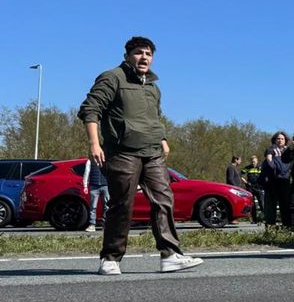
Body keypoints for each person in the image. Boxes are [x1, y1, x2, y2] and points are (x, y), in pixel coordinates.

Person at [77, 36, 203, 275]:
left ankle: (170, 255)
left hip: (152, 152)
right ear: (127, 56)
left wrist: (163, 139)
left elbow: (155, 116)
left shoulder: (153, 87)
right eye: (138, 53)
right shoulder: (112, 78)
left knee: (164, 200)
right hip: (123, 152)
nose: (144, 57)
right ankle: (110, 258)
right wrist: (95, 143)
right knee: (122, 204)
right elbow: (90, 109)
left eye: (148, 54)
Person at [261, 131, 294, 230]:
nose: (280, 140)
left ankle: (287, 227)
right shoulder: (271, 149)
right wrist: (275, 169)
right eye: (278, 138)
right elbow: (269, 159)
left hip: (285, 181)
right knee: (271, 205)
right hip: (273, 181)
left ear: (285, 140)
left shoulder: (288, 150)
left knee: (285, 205)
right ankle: (270, 228)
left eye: (282, 139)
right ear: (274, 140)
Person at [81, 157, 109, 232]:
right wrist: (85, 185)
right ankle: (92, 225)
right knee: (93, 207)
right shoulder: (90, 161)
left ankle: (106, 224)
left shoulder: (107, 160)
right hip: (94, 186)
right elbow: (86, 173)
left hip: (106, 185)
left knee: (107, 206)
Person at [241, 155, 264, 223]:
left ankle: (264, 218)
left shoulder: (260, 168)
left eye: (254, 161)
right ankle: (255, 220)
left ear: (257, 161)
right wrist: (245, 181)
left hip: (259, 188)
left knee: (261, 203)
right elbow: (240, 174)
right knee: (252, 204)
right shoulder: (247, 168)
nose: (253, 163)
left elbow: (265, 175)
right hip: (250, 188)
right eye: (252, 161)